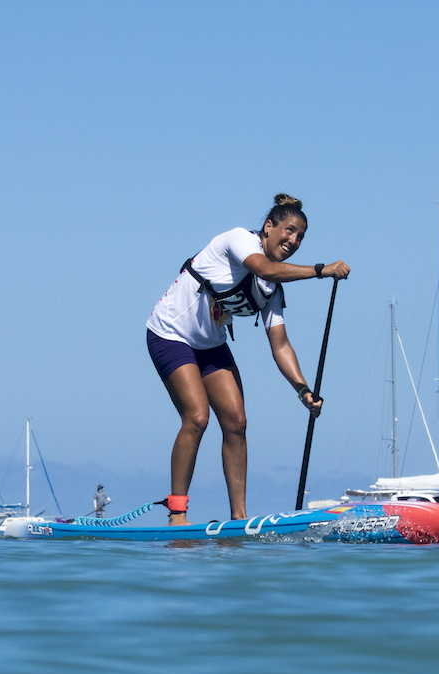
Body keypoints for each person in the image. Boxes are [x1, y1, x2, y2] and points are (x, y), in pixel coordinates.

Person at [146, 194, 350, 525]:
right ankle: (178, 514)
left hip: (209, 345)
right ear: (269, 227)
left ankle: (239, 518)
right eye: (289, 230)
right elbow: (265, 267)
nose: (293, 240)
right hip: (170, 333)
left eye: (300, 237)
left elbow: (281, 346)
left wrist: (303, 391)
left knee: (237, 422)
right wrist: (321, 271)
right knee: (197, 417)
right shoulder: (238, 239)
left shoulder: (271, 291)